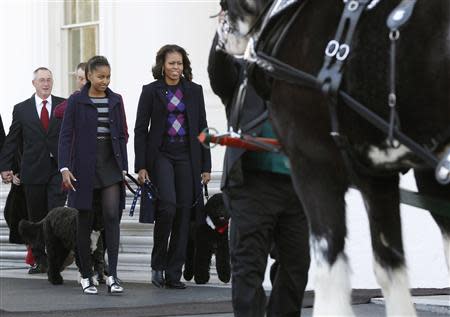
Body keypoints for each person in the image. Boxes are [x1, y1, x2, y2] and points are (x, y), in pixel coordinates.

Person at [208, 27, 310, 316]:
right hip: (251, 186)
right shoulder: (238, 76)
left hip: (297, 189)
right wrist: (225, 25)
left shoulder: (302, 81)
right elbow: (217, 69)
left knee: (297, 266)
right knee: (248, 267)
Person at [134, 44, 212, 290]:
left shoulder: (194, 90)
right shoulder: (151, 91)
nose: (176, 68)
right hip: (161, 156)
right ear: (162, 65)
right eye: (171, 63)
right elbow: (140, 129)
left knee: (183, 212)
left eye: (179, 63)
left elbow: (202, 128)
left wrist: (206, 165)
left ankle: (173, 272)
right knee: (167, 207)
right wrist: (141, 165)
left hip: (188, 157)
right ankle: (158, 264)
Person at [59, 55, 128, 295]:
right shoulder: (76, 101)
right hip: (83, 165)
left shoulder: (116, 100)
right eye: (101, 76)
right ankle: (87, 275)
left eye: (108, 76)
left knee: (111, 216)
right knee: (85, 221)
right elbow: (66, 134)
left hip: (110, 162)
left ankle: (113, 275)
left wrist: (122, 161)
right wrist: (65, 167)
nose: (105, 81)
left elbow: (123, 132)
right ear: (89, 76)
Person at [0, 67, 67, 274]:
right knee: (36, 217)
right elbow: (12, 140)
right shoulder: (22, 109)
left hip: (58, 169)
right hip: (33, 171)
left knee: (55, 214)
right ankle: (40, 258)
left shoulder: (64, 105)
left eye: (49, 80)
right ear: (34, 84)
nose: (46, 84)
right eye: (42, 80)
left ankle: (57, 257)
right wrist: (5, 167)